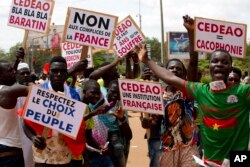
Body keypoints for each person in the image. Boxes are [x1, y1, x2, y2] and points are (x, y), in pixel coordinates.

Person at [137, 17, 250, 167]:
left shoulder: (243, 92)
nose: (219, 65)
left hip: (238, 159)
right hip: (210, 160)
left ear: (230, 68)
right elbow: (170, 77)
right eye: (215, 61)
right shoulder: (201, 91)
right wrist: (146, 60)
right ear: (209, 67)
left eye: (225, 62)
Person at [23, 56, 87, 167]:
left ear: (66, 73)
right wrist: (33, 138)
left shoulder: (74, 95)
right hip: (42, 154)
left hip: (64, 154)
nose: (58, 74)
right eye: (55, 71)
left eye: (62, 71)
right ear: (48, 73)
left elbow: (78, 126)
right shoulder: (38, 93)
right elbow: (25, 123)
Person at [0, 50, 29, 166]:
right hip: (10, 153)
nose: (15, 72)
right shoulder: (8, 92)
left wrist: (17, 61)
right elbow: (40, 92)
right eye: (10, 71)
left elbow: (8, 79)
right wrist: (70, 72)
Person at [140, 66, 162, 167]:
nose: (151, 73)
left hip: (168, 135)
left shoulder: (167, 87)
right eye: (148, 71)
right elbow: (142, 116)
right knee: (156, 160)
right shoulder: (143, 89)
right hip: (154, 134)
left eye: (154, 71)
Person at [16, 62, 34, 167]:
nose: (26, 75)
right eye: (23, 73)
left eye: (27, 73)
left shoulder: (35, 90)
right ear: (17, 75)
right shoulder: (12, 92)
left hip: (31, 134)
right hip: (17, 134)